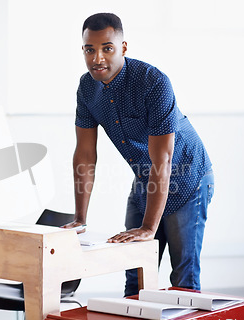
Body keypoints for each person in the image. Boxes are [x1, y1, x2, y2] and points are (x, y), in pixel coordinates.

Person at [62, 13, 214, 296]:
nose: (97, 58)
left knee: (183, 278)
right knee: (135, 276)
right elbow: (84, 155)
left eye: (107, 48)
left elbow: (163, 161)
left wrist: (148, 227)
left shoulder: (153, 82)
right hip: (146, 179)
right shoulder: (86, 88)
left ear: (123, 47)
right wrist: (80, 218)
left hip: (189, 176)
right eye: (89, 49)